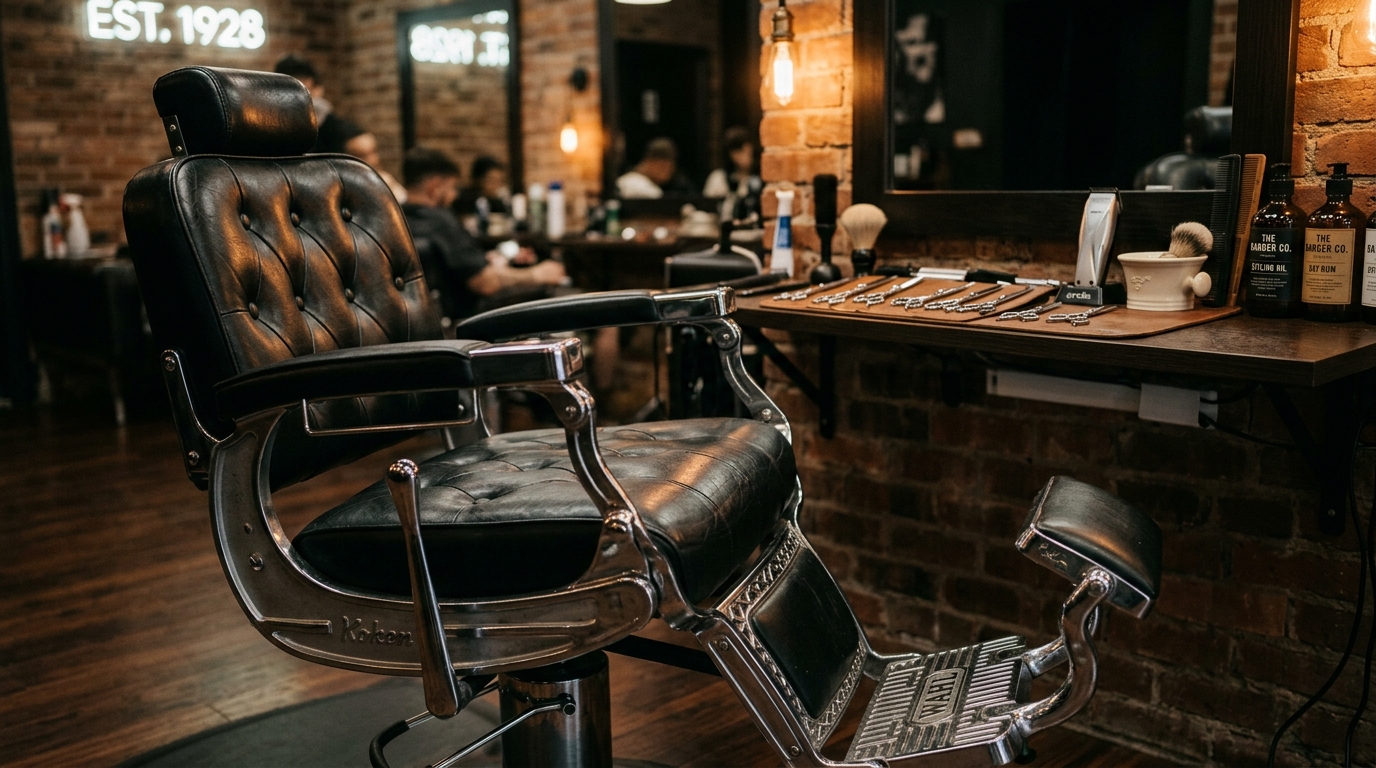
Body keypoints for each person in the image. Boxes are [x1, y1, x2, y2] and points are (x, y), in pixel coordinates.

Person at [400, 147, 565, 322]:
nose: (455, 195)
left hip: (428, 322)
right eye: (451, 188)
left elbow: (463, 266)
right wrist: (537, 274)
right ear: (433, 187)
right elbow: (485, 282)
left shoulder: (397, 220)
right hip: (470, 321)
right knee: (561, 294)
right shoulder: (440, 221)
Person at [316, 117, 408, 203]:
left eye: (374, 151)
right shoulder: (336, 194)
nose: (374, 160)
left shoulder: (385, 180)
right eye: (362, 156)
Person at [703, 126, 763, 223]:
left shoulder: (759, 180)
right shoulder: (719, 179)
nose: (744, 155)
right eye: (739, 150)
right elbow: (707, 213)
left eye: (747, 150)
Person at [615, 138, 696, 199]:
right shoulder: (638, 185)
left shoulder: (678, 184)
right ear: (649, 162)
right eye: (663, 167)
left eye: (671, 167)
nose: (668, 171)